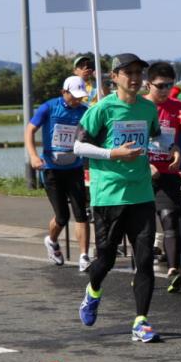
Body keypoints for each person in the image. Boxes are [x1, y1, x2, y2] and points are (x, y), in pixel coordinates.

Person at [72, 53, 163, 342]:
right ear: (115, 77)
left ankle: (141, 321)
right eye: (128, 73)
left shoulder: (148, 109)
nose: (135, 78)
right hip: (109, 194)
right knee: (106, 260)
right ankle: (93, 291)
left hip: (142, 193)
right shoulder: (103, 109)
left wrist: (172, 150)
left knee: (146, 260)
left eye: (139, 73)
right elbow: (77, 147)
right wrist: (113, 153)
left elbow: (157, 137)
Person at [144, 61, 181, 293]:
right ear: (149, 85)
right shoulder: (138, 107)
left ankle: (174, 271)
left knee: (171, 221)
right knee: (143, 227)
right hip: (141, 174)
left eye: (169, 85)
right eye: (160, 86)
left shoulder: (178, 106)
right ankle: (142, 271)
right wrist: (145, 164)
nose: (165, 89)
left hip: (168, 174)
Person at [25, 75, 91, 270]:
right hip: (52, 169)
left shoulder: (84, 111)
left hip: (75, 168)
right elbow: (29, 130)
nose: (77, 100)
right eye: (74, 96)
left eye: (80, 97)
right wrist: (33, 156)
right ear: (64, 92)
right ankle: (52, 240)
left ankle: (84, 257)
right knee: (62, 216)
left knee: (81, 213)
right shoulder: (49, 107)